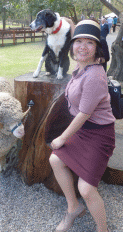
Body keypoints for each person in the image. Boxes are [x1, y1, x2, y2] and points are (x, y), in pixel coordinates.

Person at [49, 19, 115, 232]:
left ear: (97, 48)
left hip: (99, 134)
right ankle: (73, 208)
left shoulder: (95, 74)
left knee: (86, 188)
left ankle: (102, 229)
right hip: (83, 130)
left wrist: (61, 138)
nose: (82, 47)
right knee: (55, 160)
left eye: (90, 43)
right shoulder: (80, 67)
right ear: (72, 45)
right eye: (79, 41)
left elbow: (85, 113)